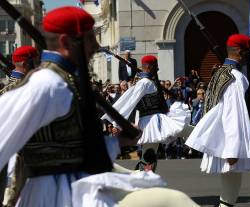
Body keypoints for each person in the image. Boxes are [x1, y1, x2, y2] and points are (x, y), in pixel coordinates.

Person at [0, 7, 200, 207]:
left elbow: (70, 148)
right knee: (174, 201)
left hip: (78, 185)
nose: (96, 46)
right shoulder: (47, 85)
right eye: (89, 38)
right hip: (58, 195)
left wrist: (118, 142)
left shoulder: (65, 80)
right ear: (66, 42)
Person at [185, 34, 250, 207]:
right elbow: (232, 113)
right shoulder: (235, 77)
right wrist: (233, 149)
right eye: (248, 54)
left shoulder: (221, 72)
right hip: (228, 140)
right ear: (241, 52)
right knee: (229, 195)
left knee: (228, 193)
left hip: (222, 136)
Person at [102, 55, 191, 171]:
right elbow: (129, 102)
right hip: (151, 122)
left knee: (150, 156)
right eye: (156, 66)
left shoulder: (149, 81)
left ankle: (144, 175)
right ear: (150, 66)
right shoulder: (144, 83)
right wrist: (115, 123)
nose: (158, 69)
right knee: (148, 157)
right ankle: (142, 177)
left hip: (156, 120)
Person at [0, 45, 38, 207]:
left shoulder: (7, 89)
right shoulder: (27, 88)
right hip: (23, 153)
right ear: (26, 63)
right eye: (35, 61)